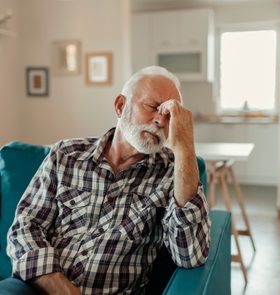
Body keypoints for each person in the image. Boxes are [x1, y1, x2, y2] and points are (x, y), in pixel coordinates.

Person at [5, 66, 211, 295]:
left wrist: (185, 148)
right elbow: (26, 226)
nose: (160, 121)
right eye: (153, 107)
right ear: (121, 106)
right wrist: (61, 287)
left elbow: (191, 255)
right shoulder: (66, 154)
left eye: (169, 116)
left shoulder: (171, 173)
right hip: (36, 287)